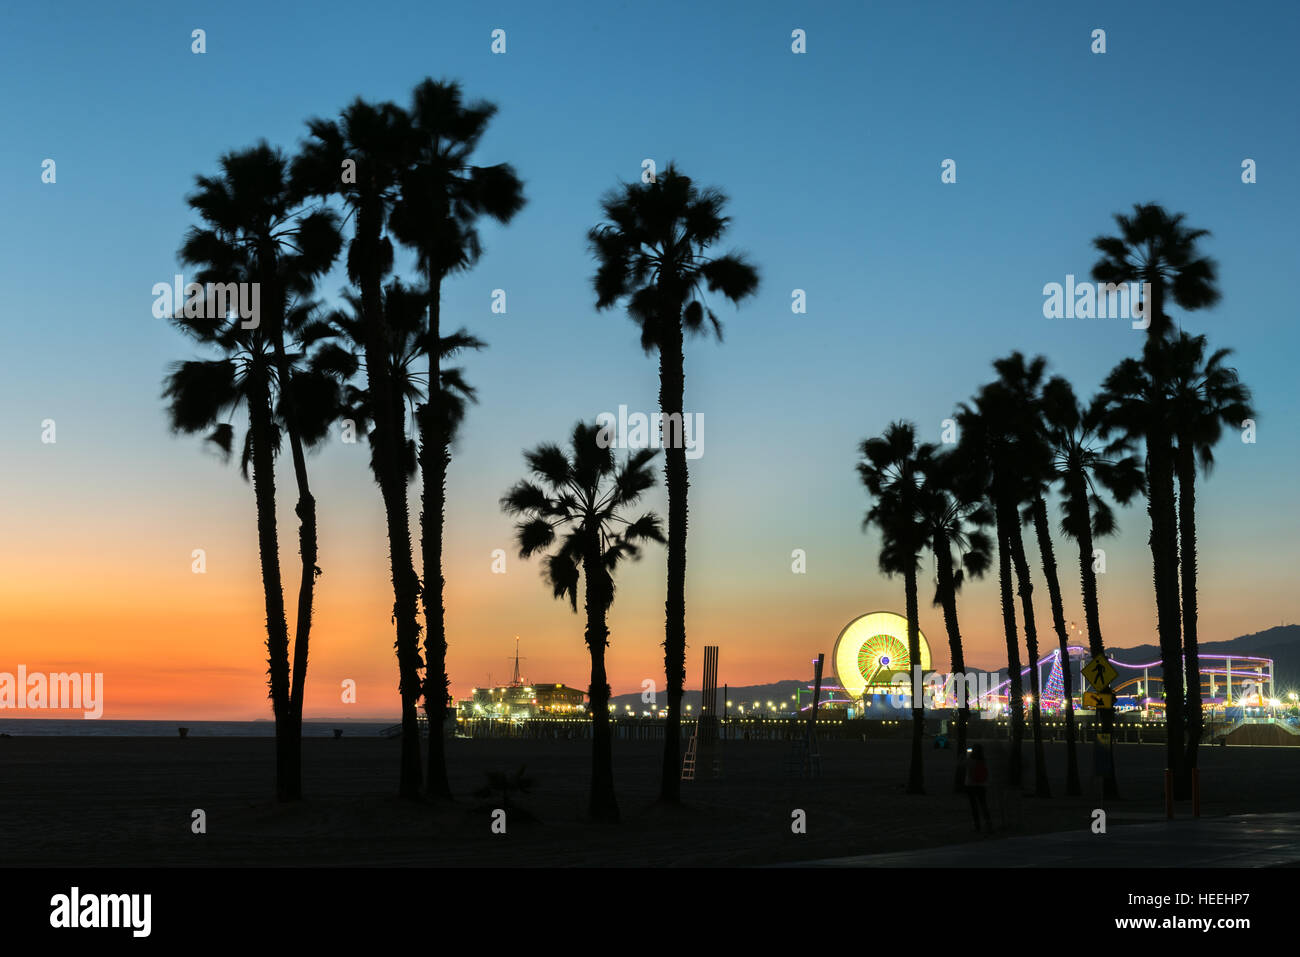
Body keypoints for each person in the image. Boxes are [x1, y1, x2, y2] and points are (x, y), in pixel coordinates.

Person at [964, 743, 993, 832]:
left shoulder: (970, 760)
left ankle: (977, 825)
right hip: (982, 785)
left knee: (974, 806)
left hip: (971, 785)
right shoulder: (984, 760)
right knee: (983, 804)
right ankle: (988, 823)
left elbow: (961, 765)